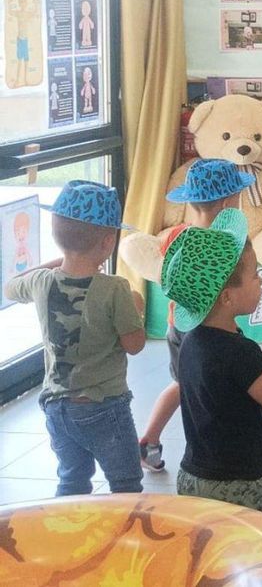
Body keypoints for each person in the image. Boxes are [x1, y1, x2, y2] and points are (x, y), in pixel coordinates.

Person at [3, 181, 146, 497]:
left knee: (72, 481)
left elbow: (11, 286)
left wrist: (59, 262)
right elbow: (134, 345)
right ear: (108, 242)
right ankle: (124, 542)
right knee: (125, 483)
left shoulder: (41, 282)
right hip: (104, 406)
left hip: (57, 406)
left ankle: (66, 539)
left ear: (55, 235)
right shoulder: (115, 289)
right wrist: (137, 309)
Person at [162, 209, 262, 518]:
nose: (261, 281)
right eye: (255, 275)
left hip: (196, 475)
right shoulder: (239, 351)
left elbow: (226, 384)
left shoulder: (191, 341)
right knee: (258, 557)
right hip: (239, 485)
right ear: (227, 298)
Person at [135, 158, 255, 473]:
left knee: (182, 382)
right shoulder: (228, 242)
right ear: (231, 200)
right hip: (211, 329)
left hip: (180, 323)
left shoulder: (177, 235)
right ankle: (230, 438)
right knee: (215, 385)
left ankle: (149, 438)